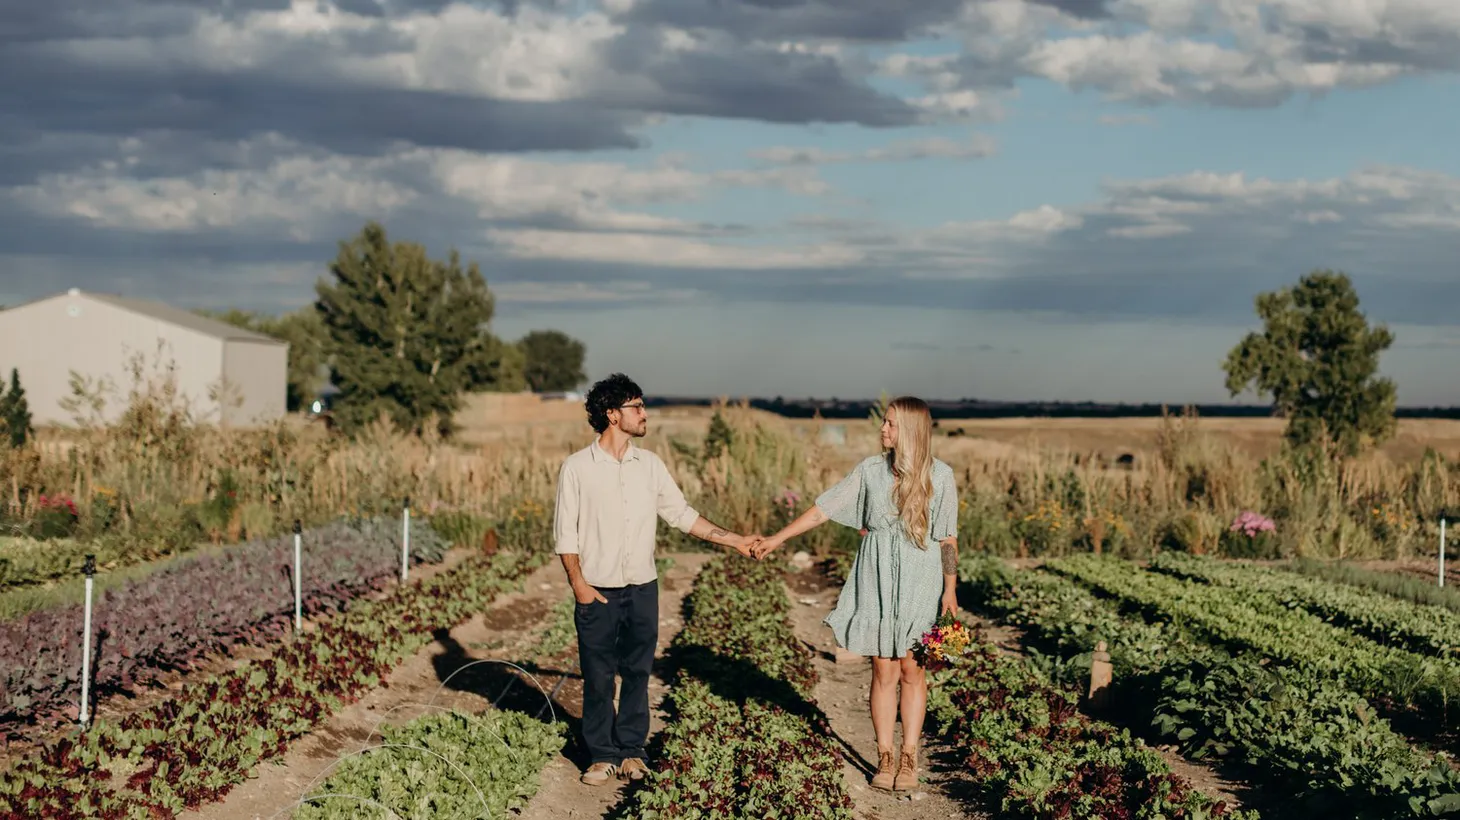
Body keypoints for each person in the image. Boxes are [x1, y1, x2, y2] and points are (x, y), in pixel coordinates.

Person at [553, 373, 762, 786]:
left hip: (642, 586)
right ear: (612, 415)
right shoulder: (577, 467)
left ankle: (631, 750)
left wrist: (736, 540)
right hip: (596, 588)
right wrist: (579, 584)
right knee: (596, 675)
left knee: (636, 672)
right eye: (637, 407)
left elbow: (683, 515)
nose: (645, 414)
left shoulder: (650, 465)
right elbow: (565, 533)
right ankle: (601, 754)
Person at [751, 396, 957, 793]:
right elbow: (823, 509)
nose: (882, 429)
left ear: (910, 430)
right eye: (883, 422)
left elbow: (947, 538)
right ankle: (884, 754)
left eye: (891, 424)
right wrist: (778, 538)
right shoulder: (870, 471)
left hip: (921, 581)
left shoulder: (941, 476)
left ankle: (910, 757)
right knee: (883, 669)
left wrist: (950, 591)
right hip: (876, 578)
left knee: (913, 671)